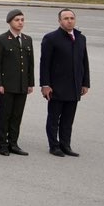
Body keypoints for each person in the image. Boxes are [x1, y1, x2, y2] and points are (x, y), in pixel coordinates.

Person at [38, 9, 91, 157]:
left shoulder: (81, 38)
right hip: (56, 86)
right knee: (54, 118)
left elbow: (84, 62)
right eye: (66, 18)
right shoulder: (51, 38)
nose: (69, 21)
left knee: (68, 119)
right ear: (59, 21)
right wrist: (45, 85)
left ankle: (65, 145)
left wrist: (85, 82)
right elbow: (45, 64)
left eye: (72, 18)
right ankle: (54, 146)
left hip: (74, 86)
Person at [0, 10, 37, 156]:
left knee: (17, 115)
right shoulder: (1, 39)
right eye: (17, 20)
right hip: (7, 85)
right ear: (10, 22)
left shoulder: (27, 39)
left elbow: (30, 63)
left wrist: (30, 83)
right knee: (5, 115)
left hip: (22, 84)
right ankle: (3, 145)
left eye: (22, 20)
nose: (20, 22)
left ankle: (13, 143)